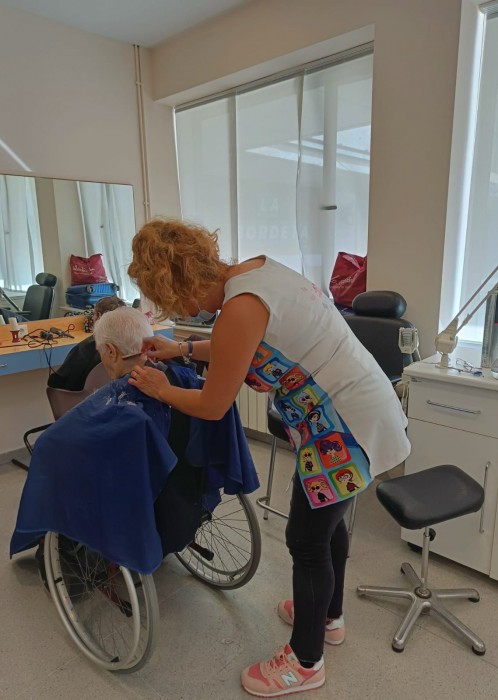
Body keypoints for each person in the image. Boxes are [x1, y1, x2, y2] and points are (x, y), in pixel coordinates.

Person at [126, 218, 411, 697]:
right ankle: (328, 616)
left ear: (179, 283)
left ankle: (306, 662)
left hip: (343, 425)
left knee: (306, 539)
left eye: (170, 299)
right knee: (327, 524)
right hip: (350, 410)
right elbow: (240, 346)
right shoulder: (256, 273)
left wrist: (160, 388)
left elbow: (213, 404)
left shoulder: (239, 308)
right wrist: (183, 349)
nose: (177, 309)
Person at [47, 296, 126, 391]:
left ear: (99, 316)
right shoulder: (130, 344)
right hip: (117, 394)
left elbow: (58, 383)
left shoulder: (86, 347)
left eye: (94, 314)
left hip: (83, 397)